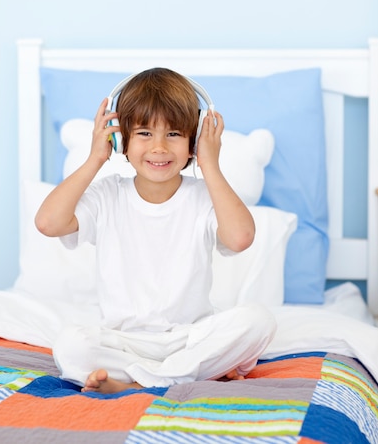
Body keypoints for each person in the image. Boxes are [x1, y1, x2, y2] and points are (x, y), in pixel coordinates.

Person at [35, 67, 276, 393]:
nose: (159, 147)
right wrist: (95, 157)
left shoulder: (205, 197)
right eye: (145, 133)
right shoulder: (107, 195)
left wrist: (211, 166)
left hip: (190, 338)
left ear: (195, 141)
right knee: (71, 345)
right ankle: (190, 374)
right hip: (123, 342)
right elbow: (48, 223)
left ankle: (137, 384)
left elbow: (240, 237)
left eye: (174, 134)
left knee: (258, 320)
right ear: (120, 138)